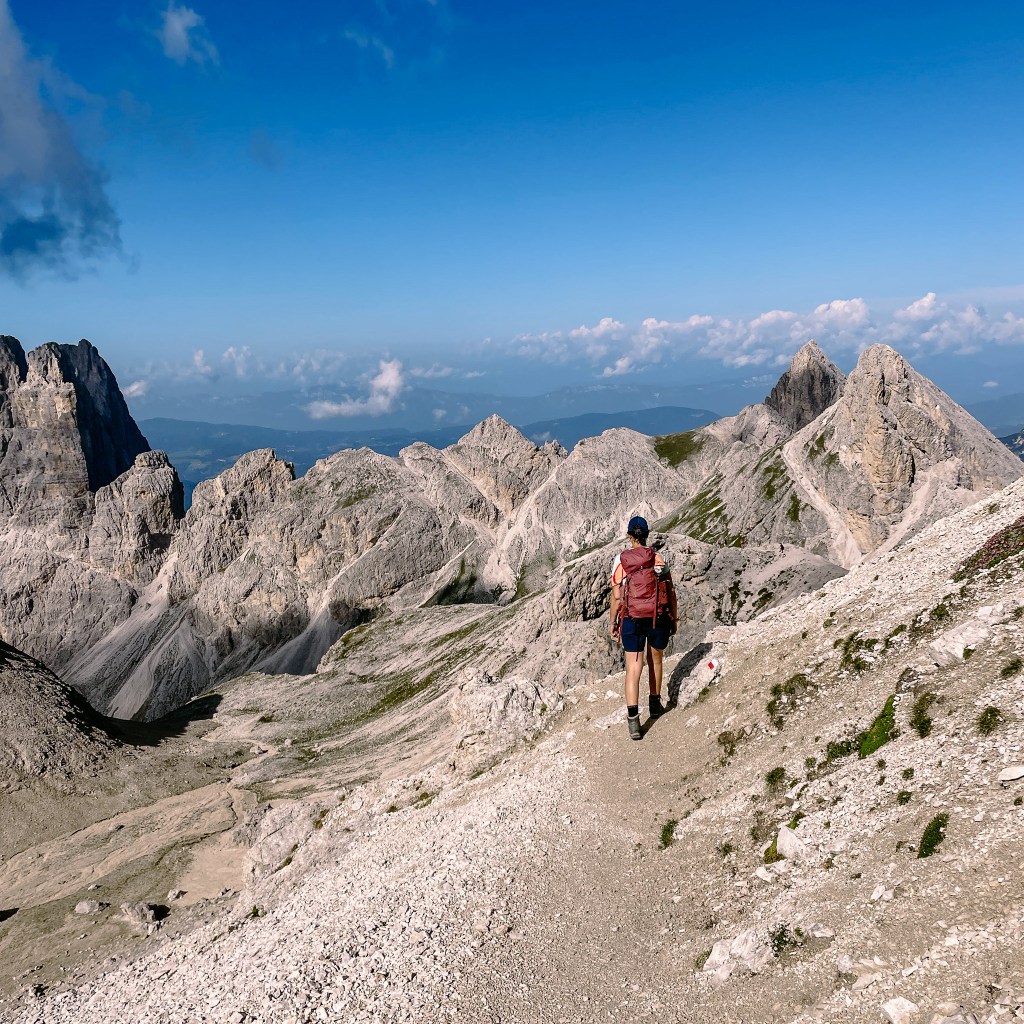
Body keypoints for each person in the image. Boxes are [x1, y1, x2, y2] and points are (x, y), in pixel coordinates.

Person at [609, 515, 677, 741]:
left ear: (630, 536)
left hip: (632, 619)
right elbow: (670, 590)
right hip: (657, 618)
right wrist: (673, 618)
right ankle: (655, 704)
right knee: (655, 660)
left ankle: (634, 724)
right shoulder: (658, 558)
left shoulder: (620, 562)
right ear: (647, 536)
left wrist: (613, 622)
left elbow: (617, 597)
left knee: (633, 667)